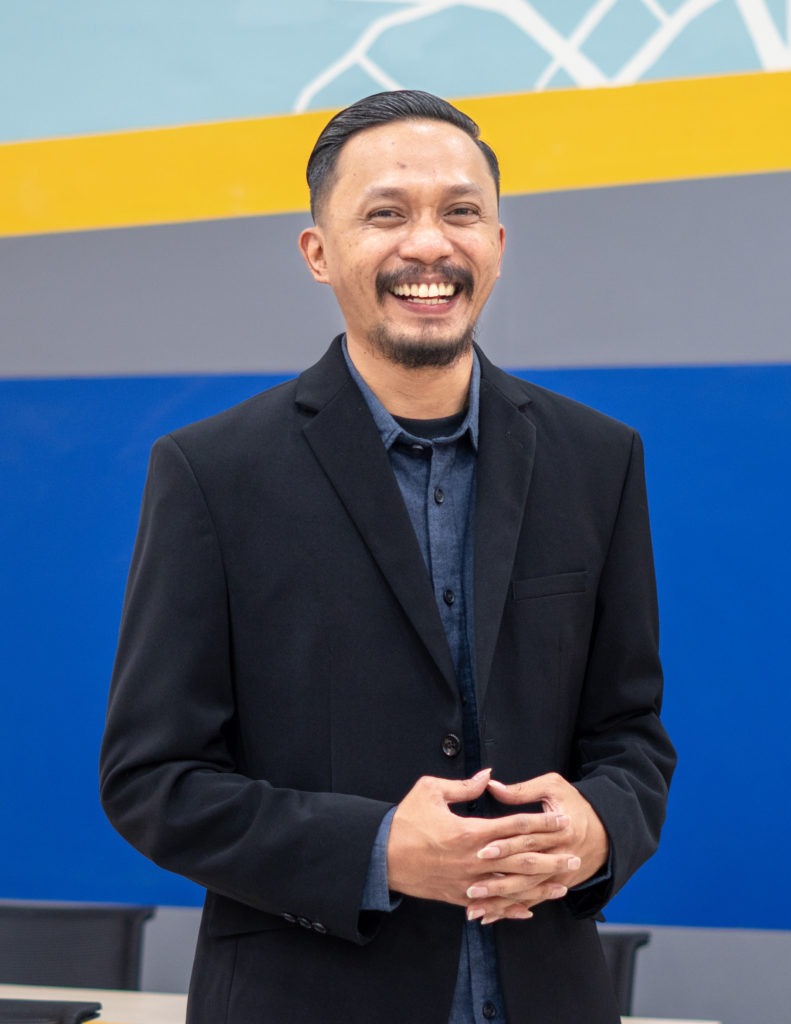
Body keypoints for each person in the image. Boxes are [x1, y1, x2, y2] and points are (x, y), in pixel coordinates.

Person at [100, 90, 676, 1023]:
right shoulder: (212, 473)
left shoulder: (597, 459)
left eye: (460, 211)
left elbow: (631, 733)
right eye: (385, 214)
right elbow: (152, 779)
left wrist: (599, 827)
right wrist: (375, 851)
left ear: (497, 243)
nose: (428, 245)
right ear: (317, 252)